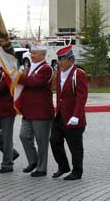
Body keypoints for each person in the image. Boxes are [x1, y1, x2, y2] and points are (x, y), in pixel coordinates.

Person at [50, 45, 88, 180]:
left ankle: (77, 172)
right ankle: (63, 166)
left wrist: (76, 116)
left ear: (70, 59)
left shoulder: (78, 74)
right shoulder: (60, 73)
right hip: (61, 116)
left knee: (75, 147)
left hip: (73, 117)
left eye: (62, 59)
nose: (59, 62)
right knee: (54, 140)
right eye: (58, 59)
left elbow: (81, 97)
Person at [17, 42, 54, 177]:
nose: (31, 55)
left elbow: (34, 82)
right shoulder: (30, 68)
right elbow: (27, 81)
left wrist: (18, 77)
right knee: (24, 136)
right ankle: (33, 161)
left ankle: (41, 169)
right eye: (31, 53)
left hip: (41, 112)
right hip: (28, 111)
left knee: (41, 141)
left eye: (34, 53)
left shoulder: (46, 68)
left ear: (43, 55)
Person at [0, 58, 19, 173]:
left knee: (7, 137)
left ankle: (7, 164)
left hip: (7, 109)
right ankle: (12, 153)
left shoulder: (8, 69)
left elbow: (2, 87)